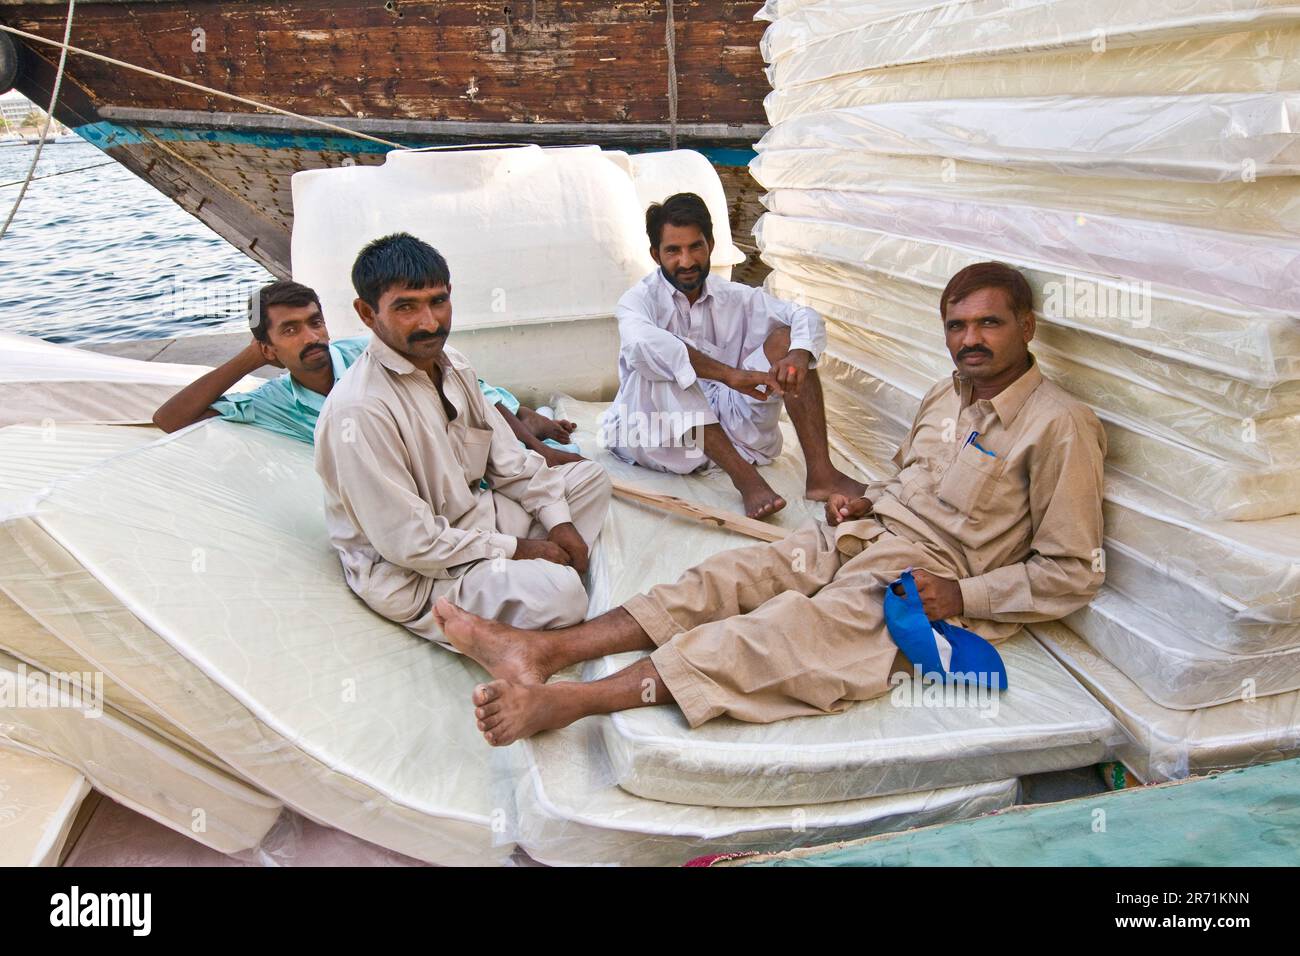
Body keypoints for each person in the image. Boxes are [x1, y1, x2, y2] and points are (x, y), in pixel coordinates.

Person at [435, 261, 1107, 746]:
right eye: (957, 326)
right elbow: (905, 478)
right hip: (866, 534)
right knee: (722, 578)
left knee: (778, 633)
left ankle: (568, 700)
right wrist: (860, 502)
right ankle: (546, 649)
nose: (970, 340)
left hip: (923, 580)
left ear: (1027, 325)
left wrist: (962, 598)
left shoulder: (1059, 425)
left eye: (989, 323)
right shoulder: (947, 392)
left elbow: (1073, 571)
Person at [314, 233, 612, 643]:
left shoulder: (454, 365)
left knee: (590, 478)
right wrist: (520, 549)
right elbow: (411, 545)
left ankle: (527, 577)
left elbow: (511, 463)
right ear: (367, 313)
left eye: (438, 301)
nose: (430, 323)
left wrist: (558, 525)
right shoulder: (360, 410)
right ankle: (517, 600)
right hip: (415, 574)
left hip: (475, 521)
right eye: (406, 307)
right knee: (562, 596)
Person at [598, 192, 864, 520]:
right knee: (658, 362)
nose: (686, 261)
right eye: (673, 251)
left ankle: (822, 475)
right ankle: (746, 480)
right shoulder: (637, 301)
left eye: (695, 246)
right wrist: (730, 375)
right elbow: (642, 346)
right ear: (656, 255)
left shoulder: (734, 297)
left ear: (710, 244)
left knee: (789, 339)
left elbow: (804, 316)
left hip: (728, 429)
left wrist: (798, 353)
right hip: (657, 434)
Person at [151, 279, 583, 464]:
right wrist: (251, 358)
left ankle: (527, 420)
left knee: (505, 414)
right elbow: (170, 419)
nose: (311, 337)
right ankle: (526, 420)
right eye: (291, 331)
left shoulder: (368, 351)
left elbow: (468, 393)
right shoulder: (276, 402)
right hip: (412, 466)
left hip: (460, 426)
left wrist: (541, 452)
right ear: (269, 347)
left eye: (315, 322)